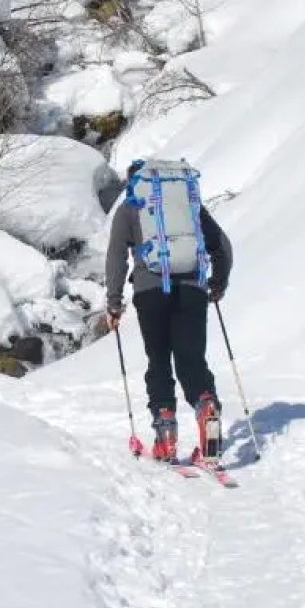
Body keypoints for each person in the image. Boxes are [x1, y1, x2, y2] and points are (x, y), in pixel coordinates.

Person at [104, 165, 233, 461]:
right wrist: (218, 283)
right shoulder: (186, 204)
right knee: (192, 360)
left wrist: (113, 302)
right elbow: (221, 245)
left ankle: (165, 435)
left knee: (159, 361)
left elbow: (115, 255)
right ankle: (206, 406)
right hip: (192, 289)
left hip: (150, 293)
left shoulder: (129, 208)